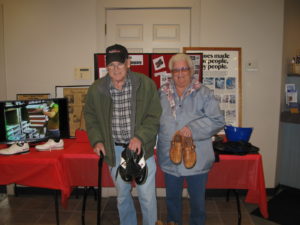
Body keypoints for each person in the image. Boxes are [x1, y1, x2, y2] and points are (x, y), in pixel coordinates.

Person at [84, 44, 162, 225]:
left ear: (128, 63)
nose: (115, 69)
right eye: (111, 66)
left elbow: (154, 116)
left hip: (142, 149)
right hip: (115, 150)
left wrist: (140, 136)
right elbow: (90, 117)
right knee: (122, 196)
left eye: (119, 64)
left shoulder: (145, 84)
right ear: (106, 67)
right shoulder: (97, 89)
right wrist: (97, 141)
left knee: (147, 196)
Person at [156, 53, 225, 225]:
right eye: (175, 70)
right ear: (171, 72)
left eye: (184, 69)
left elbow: (218, 120)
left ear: (191, 71)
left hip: (197, 157)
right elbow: (152, 120)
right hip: (170, 155)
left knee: (197, 203)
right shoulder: (161, 93)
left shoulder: (204, 93)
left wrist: (192, 129)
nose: (180, 73)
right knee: (172, 200)